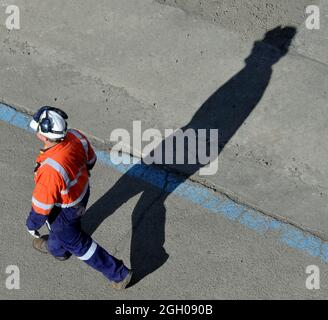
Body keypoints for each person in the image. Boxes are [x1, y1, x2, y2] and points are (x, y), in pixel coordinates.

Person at [26, 106, 132, 290]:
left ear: (43, 135)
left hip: (65, 210)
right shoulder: (75, 135)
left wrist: (32, 225)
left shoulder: (50, 168)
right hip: (82, 195)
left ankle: (119, 273)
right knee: (63, 235)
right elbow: (90, 160)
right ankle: (57, 249)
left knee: (78, 243)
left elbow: (42, 206)